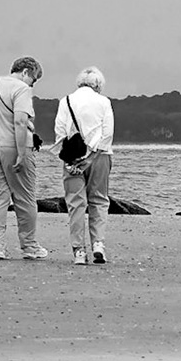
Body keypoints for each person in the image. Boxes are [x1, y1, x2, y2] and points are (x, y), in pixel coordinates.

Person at [0, 56, 47, 260]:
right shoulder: (22, 89)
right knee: (24, 196)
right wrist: (21, 153)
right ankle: (29, 246)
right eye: (33, 80)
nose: (32, 85)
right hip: (12, 146)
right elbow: (19, 121)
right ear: (26, 72)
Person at [54, 67, 116, 264]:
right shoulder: (104, 102)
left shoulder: (66, 101)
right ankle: (98, 244)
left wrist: (69, 160)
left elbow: (60, 131)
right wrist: (93, 156)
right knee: (98, 200)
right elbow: (108, 133)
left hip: (72, 157)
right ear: (98, 84)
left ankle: (79, 251)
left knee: (76, 204)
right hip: (100, 157)